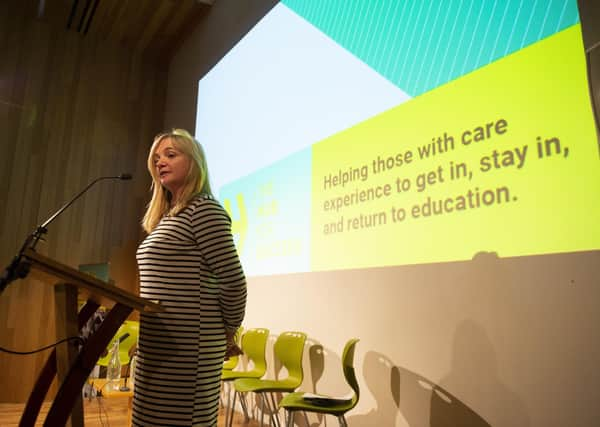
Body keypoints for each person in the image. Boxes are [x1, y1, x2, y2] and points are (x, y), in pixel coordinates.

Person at [131, 129, 247, 426]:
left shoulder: (204, 209)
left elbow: (233, 280)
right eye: (156, 158)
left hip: (188, 347)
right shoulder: (169, 216)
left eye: (171, 154)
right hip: (158, 344)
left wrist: (228, 331)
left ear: (194, 163)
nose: (160, 162)